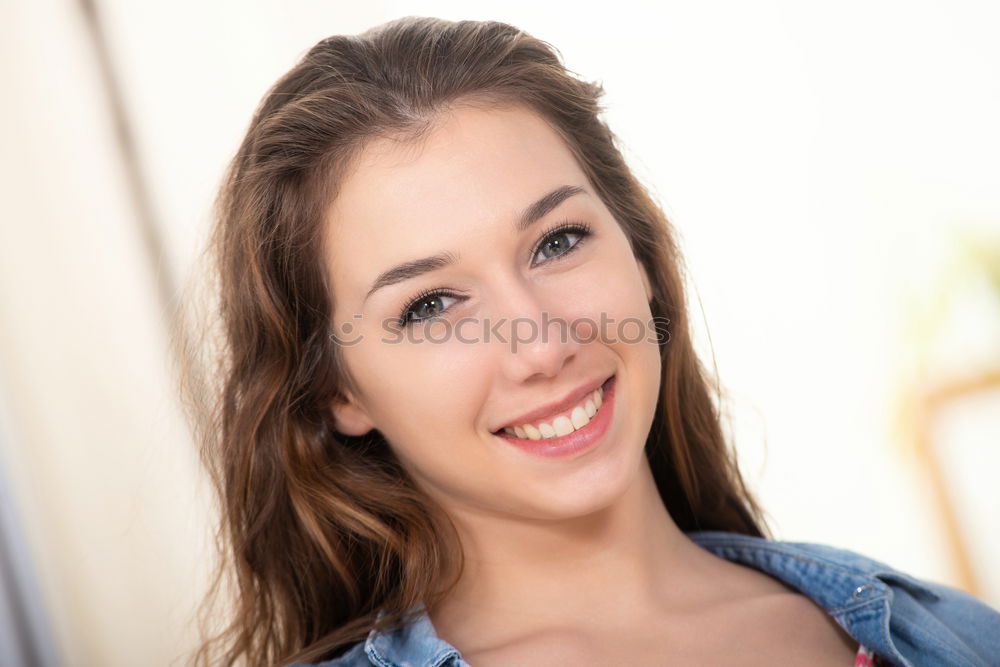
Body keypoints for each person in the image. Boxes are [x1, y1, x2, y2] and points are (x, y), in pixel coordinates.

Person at [180, 15, 1000, 667]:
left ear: (638, 251)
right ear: (338, 390)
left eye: (557, 242)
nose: (540, 344)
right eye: (430, 304)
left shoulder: (951, 635)